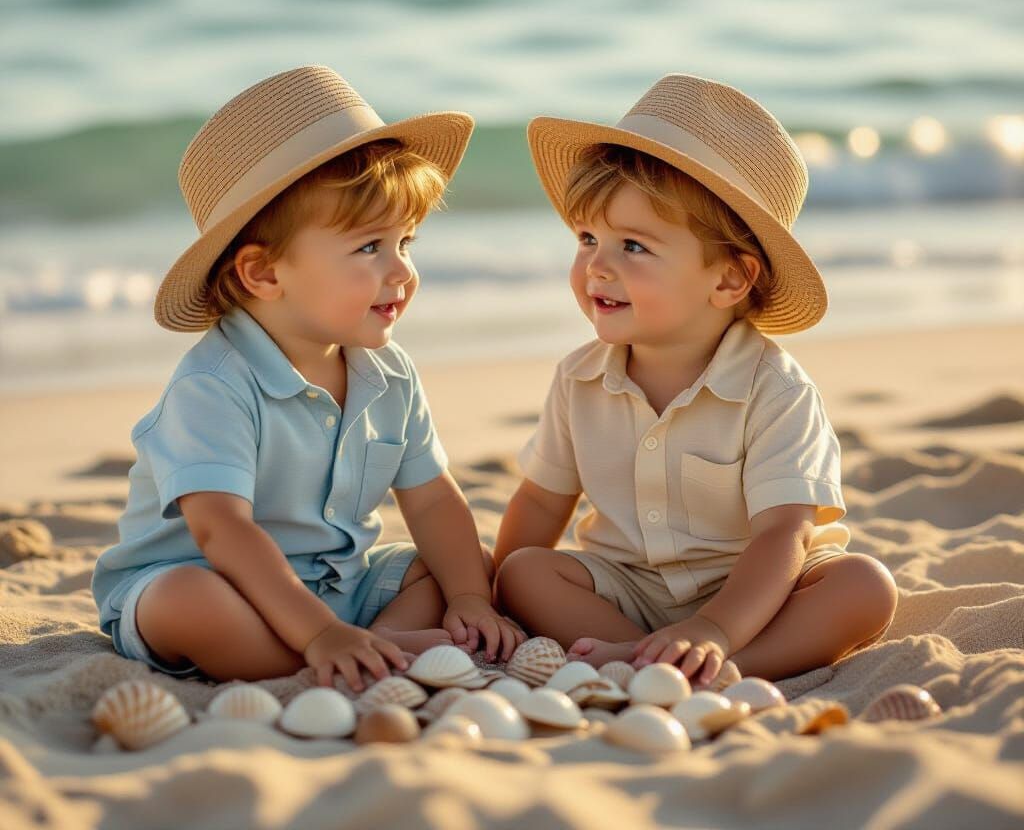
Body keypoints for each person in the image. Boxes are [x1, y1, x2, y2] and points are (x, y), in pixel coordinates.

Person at [92, 65, 524, 690]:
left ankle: (372, 644)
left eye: (406, 242)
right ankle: (344, 650)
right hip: (219, 582)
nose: (402, 271)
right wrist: (318, 632)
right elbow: (221, 530)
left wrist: (470, 600)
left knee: (460, 566)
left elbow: (431, 497)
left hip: (337, 585)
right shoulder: (214, 385)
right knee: (184, 601)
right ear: (264, 274)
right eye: (370, 247)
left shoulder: (388, 373)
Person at [494, 73, 898, 687]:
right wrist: (494, 595)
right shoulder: (579, 378)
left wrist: (715, 629)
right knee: (525, 571)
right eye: (588, 238)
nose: (596, 265)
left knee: (864, 585)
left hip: (755, 596)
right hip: (628, 589)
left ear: (729, 279)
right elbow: (543, 500)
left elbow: (783, 533)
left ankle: (724, 668)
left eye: (633, 246)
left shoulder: (775, 390)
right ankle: (644, 659)